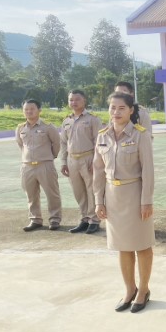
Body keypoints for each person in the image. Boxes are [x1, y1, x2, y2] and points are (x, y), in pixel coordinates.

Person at [93, 92, 154, 313]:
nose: (116, 112)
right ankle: (129, 289)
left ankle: (143, 290)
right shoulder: (102, 136)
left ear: (131, 111)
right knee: (122, 246)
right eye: (112, 107)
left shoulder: (140, 135)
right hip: (112, 196)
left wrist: (146, 201)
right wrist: (99, 201)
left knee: (142, 244)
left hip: (135, 194)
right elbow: (98, 171)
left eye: (121, 108)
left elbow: (148, 170)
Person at [15, 99, 62, 232]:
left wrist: (49, 157)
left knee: (52, 194)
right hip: (27, 166)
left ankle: (54, 219)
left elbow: (56, 144)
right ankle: (35, 219)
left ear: (39, 110)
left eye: (32, 109)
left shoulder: (48, 127)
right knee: (31, 195)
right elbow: (21, 145)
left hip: (45, 165)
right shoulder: (20, 128)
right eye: (26, 109)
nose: (29, 111)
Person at [60, 89, 103, 234]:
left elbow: (99, 141)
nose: (74, 102)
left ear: (84, 100)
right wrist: (63, 162)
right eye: (71, 100)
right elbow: (63, 143)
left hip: (88, 158)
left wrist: (96, 161)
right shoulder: (66, 121)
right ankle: (84, 218)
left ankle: (94, 220)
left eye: (77, 99)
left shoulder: (93, 119)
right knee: (78, 191)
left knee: (92, 190)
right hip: (72, 160)